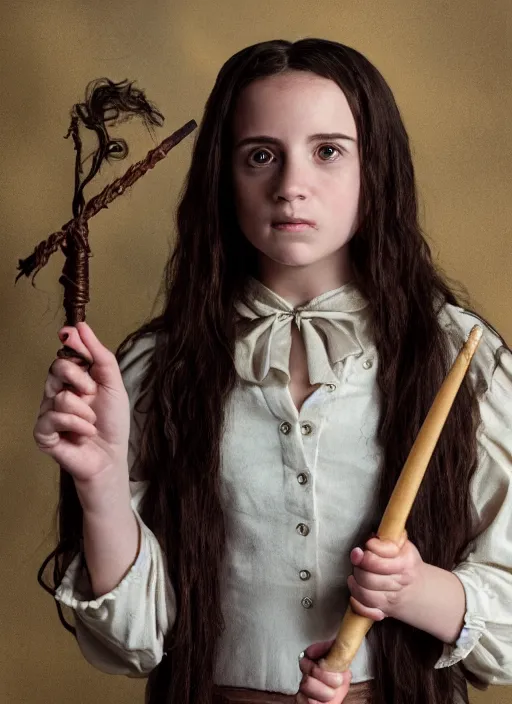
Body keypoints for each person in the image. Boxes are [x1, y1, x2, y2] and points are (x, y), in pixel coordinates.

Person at [33, 38, 512, 704]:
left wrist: (416, 588)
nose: (291, 186)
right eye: (261, 155)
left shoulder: (462, 360)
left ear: (377, 169)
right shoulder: (159, 370)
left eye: (327, 151)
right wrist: (101, 478)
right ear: (222, 177)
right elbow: (136, 640)